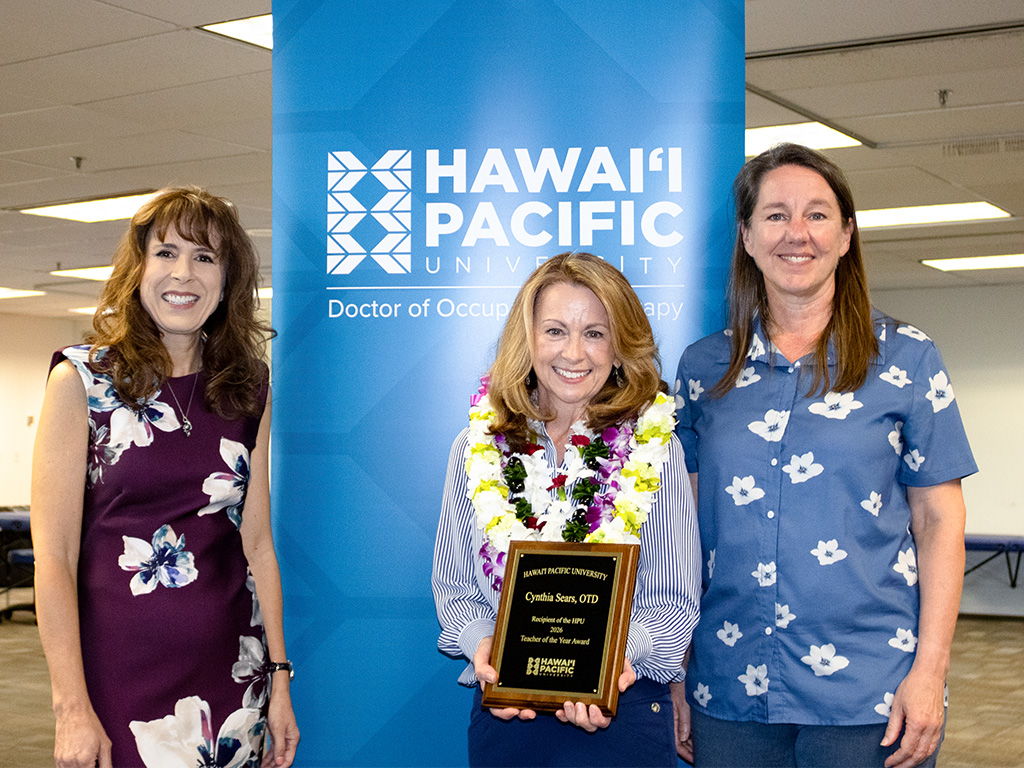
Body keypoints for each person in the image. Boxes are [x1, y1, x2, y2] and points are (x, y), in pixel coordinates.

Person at [671, 144, 976, 768]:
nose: (796, 233)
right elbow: (683, 531)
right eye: (776, 215)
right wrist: (675, 668)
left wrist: (931, 671)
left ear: (846, 235)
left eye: (817, 214)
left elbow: (940, 522)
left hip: (870, 692)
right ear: (747, 237)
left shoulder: (908, 360)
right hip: (728, 687)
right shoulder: (704, 369)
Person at [31, 187, 299, 768]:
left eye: (205, 258)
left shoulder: (249, 388)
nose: (184, 273)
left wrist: (279, 678)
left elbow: (256, 545)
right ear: (139, 267)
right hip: (115, 685)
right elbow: (53, 557)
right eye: (167, 253)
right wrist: (70, 707)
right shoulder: (81, 381)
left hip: (234, 682)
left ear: (227, 280)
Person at [432, 252, 701, 767]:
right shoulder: (475, 446)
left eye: (595, 333)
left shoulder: (657, 449)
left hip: (623, 708)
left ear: (621, 348)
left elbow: (673, 597)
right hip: (508, 717)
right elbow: (455, 587)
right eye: (555, 330)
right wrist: (483, 644)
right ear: (527, 341)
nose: (574, 353)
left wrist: (614, 661)